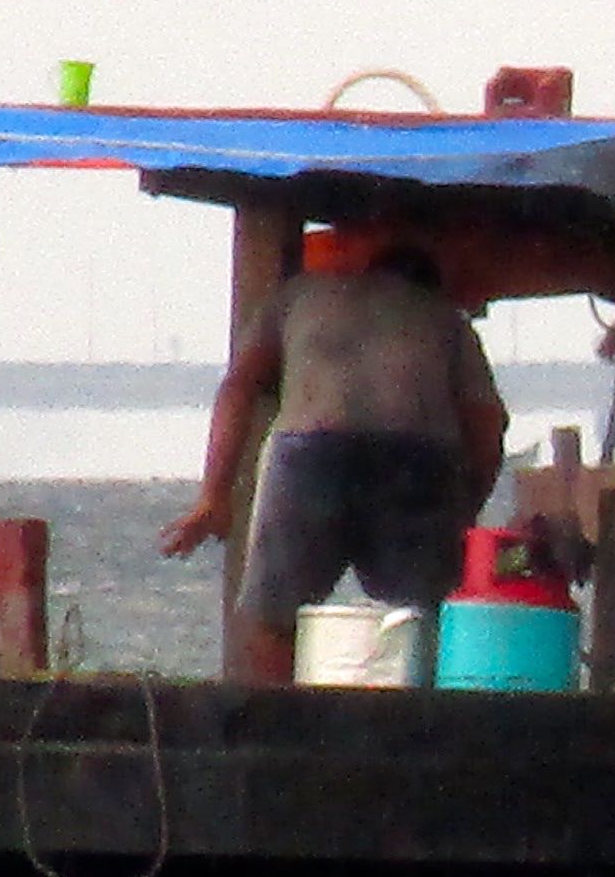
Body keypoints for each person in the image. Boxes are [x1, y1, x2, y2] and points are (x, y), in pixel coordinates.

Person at [163, 224, 509, 678]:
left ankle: (274, 713)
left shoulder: (299, 295)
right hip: (416, 456)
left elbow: (238, 386)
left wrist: (213, 496)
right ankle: (415, 714)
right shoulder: (445, 318)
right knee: (420, 617)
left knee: (272, 618)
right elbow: (488, 423)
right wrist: (465, 510)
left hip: (311, 450)